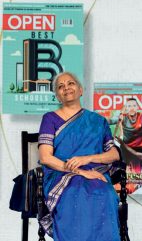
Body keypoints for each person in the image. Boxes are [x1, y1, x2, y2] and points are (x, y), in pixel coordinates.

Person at [38, 72, 120, 241]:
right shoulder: (49, 119)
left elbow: (114, 154)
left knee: (104, 192)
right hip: (61, 175)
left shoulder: (98, 120)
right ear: (57, 96)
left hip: (94, 172)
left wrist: (87, 159)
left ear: (81, 90)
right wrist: (81, 172)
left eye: (71, 83)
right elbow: (46, 158)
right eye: (60, 86)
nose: (66, 88)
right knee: (74, 193)